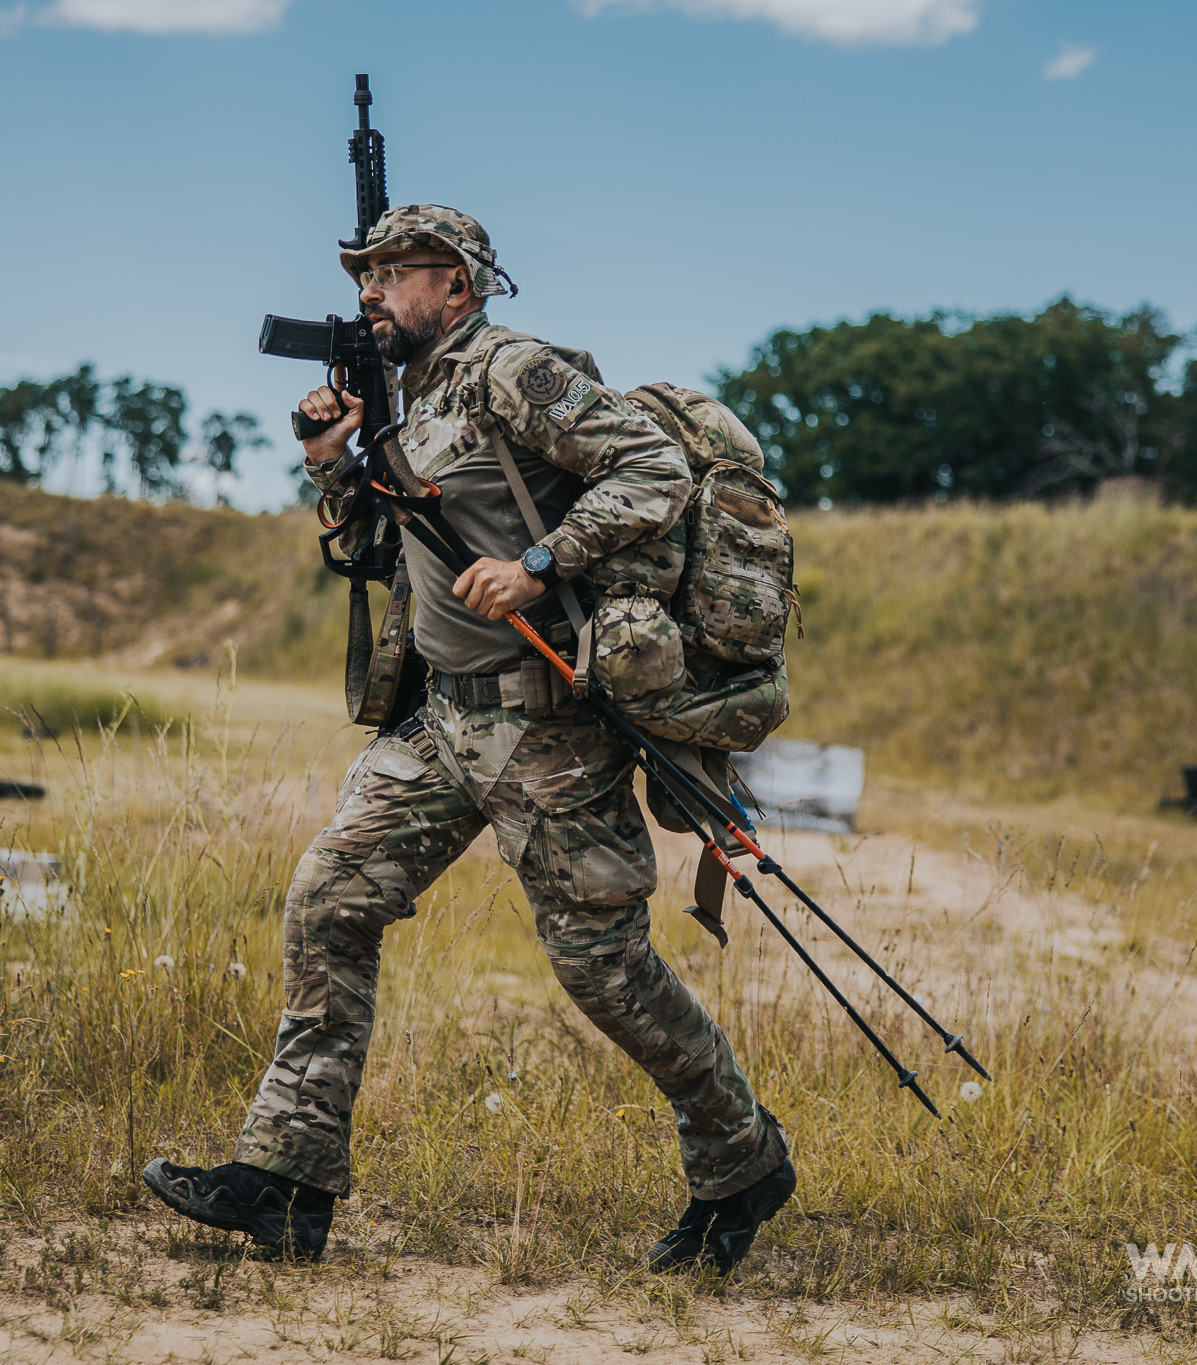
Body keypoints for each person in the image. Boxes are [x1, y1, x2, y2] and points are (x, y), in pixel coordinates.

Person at [143, 206, 793, 1272]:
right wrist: (330, 461)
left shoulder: (510, 372)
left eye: (390, 273)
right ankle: (285, 1181)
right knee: (331, 897)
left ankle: (741, 1157)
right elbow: (379, 550)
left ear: (455, 284)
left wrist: (540, 563)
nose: (368, 292)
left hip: (545, 729)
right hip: (442, 717)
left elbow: (649, 471)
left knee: (604, 970)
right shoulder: (409, 398)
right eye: (363, 273)